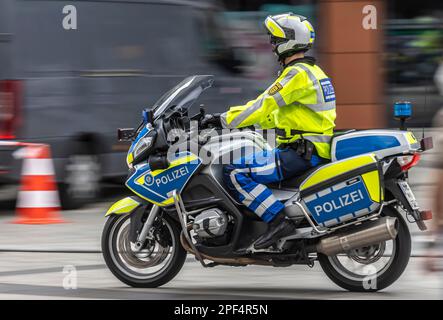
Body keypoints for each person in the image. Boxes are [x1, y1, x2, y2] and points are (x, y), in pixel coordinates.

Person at [201, 13, 337, 249]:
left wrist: (222, 120)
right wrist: (247, 123)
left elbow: (262, 105)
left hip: (300, 152)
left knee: (234, 171)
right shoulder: (314, 72)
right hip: (309, 147)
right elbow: (276, 114)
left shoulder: (296, 75)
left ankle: (278, 220)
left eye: (275, 40)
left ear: (289, 41)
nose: (272, 46)